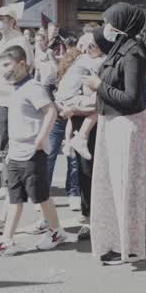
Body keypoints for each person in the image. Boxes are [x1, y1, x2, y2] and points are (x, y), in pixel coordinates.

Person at [86, 3, 146, 265]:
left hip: (125, 125)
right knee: (116, 187)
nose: (106, 27)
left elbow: (132, 98)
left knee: (124, 189)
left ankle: (129, 246)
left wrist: (99, 86)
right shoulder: (120, 49)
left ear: (121, 23)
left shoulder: (133, 52)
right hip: (113, 124)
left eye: (110, 21)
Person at [0, 46, 72, 255]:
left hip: (32, 153)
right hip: (15, 153)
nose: (3, 70)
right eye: (1, 65)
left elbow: (50, 111)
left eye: (7, 65)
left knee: (40, 196)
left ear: (21, 64)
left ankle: (56, 231)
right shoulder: (15, 88)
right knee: (15, 199)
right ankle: (7, 240)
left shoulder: (33, 87)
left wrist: (41, 138)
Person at [0, 4, 31, 216]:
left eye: (2, 18)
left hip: (9, 100)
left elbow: (28, 66)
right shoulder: (0, 40)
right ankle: (10, 181)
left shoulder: (20, 41)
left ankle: (8, 183)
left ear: (12, 21)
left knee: (8, 143)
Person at [50, 34, 103, 213]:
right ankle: (78, 138)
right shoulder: (90, 61)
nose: (89, 48)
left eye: (92, 46)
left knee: (76, 157)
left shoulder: (80, 61)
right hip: (70, 103)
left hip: (68, 105)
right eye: (86, 45)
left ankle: (70, 144)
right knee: (95, 109)